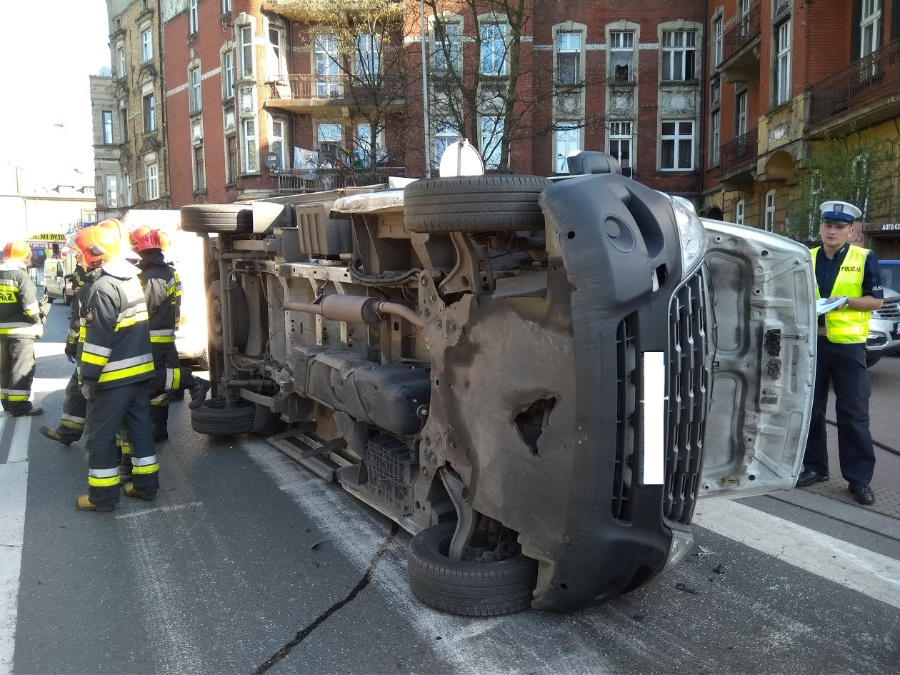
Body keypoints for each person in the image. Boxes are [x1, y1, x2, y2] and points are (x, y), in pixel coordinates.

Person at [797, 200, 882, 506]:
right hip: (812, 345)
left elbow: (875, 302)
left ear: (851, 231)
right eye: (827, 225)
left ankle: (858, 479)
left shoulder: (864, 258)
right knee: (811, 411)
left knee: (853, 414)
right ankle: (814, 467)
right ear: (820, 227)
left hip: (848, 347)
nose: (832, 231)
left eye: (839, 226)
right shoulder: (806, 257)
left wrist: (845, 301)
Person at [73, 225, 159, 512]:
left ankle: (103, 498)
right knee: (138, 431)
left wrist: (87, 378)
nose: (79, 260)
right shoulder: (129, 280)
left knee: (99, 436)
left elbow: (98, 341)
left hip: (113, 379)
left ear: (94, 254)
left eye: (81, 254)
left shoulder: (102, 288)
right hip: (138, 373)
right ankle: (145, 487)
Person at [40, 222, 123, 446]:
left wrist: (71, 346)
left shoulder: (96, 287)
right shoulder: (120, 281)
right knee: (78, 392)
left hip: (93, 356)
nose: (77, 258)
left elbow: (79, 324)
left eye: (79, 254)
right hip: (100, 355)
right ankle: (69, 432)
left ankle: (103, 445)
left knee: (92, 397)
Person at [129, 226, 209, 442]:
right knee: (159, 391)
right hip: (163, 336)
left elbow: (148, 306)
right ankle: (159, 430)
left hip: (153, 337)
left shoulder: (153, 275)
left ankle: (194, 382)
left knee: (148, 379)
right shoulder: (165, 270)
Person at [0, 241, 46, 416]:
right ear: (25, 256)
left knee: (4, 368)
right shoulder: (21, 276)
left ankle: (7, 402)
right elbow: (30, 307)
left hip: (1, 333)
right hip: (22, 331)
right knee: (21, 368)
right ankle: (19, 406)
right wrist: (38, 317)